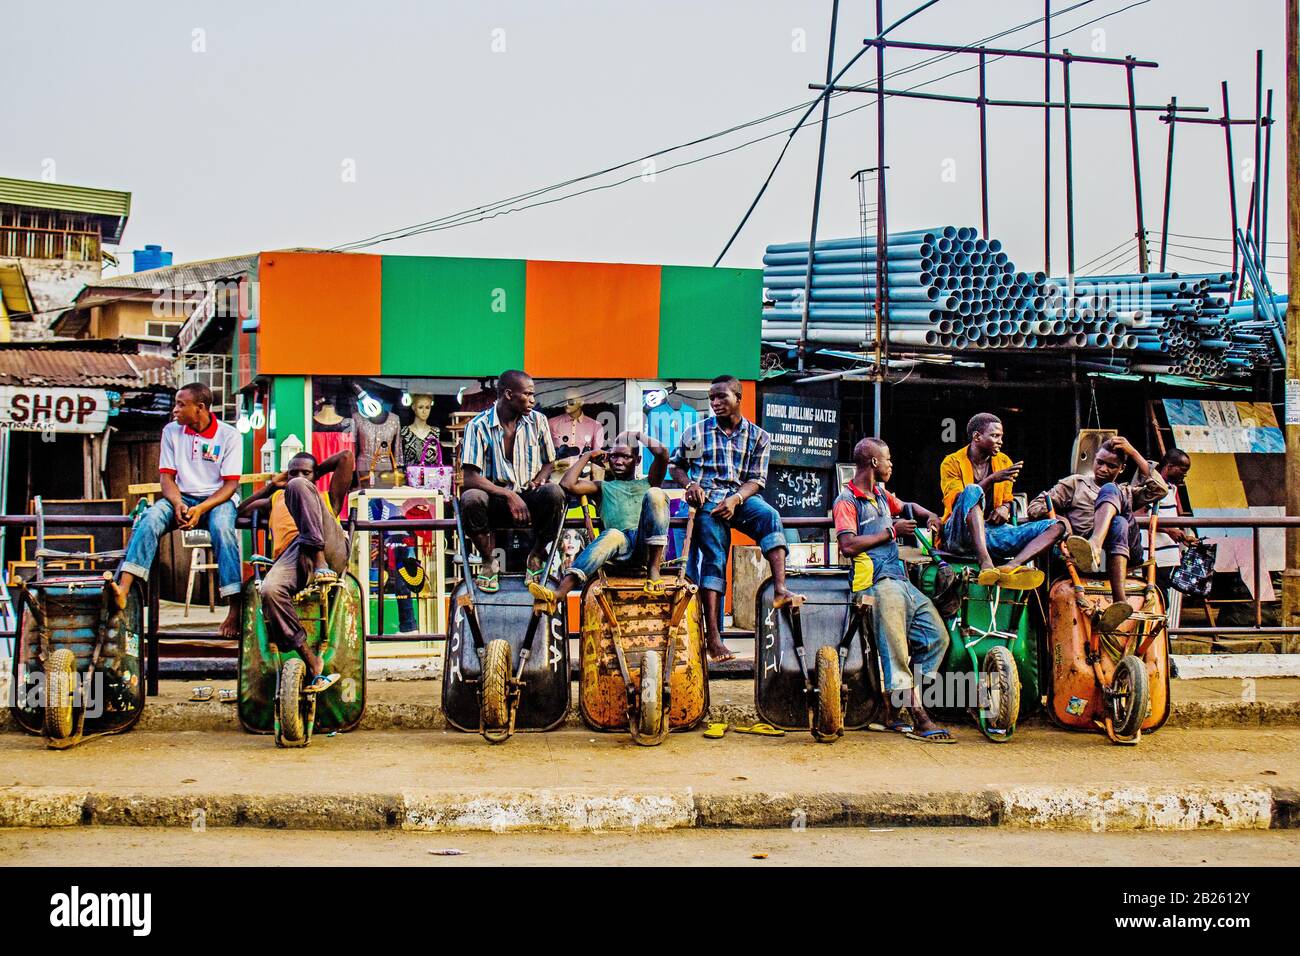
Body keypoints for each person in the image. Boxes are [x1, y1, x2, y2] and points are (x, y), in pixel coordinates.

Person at [669, 375, 799, 663]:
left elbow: (757, 480)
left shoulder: (759, 437)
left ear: (738, 398)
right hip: (708, 503)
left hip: (741, 498)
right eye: (712, 398)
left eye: (721, 397)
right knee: (715, 559)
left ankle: (779, 588)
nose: (715, 403)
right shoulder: (696, 433)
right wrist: (690, 485)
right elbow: (676, 466)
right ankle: (714, 638)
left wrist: (736, 499)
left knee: (770, 516)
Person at [834, 437, 954, 743]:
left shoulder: (880, 495)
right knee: (897, 654)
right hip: (875, 585)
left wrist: (930, 516)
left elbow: (909, 507)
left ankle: (894, 706)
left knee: (937, 638)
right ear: (874, 463)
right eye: (887, 459)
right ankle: (919, 716)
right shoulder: (847, 501)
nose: (891, 464)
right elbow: (847, 545)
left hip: (900, 581)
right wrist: (891, 531)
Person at [110, 383, 243, 638]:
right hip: (181, 498)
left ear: (200, 408)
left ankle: (234, 609)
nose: (175, 410)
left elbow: (230, 485)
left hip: (216, 500)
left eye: (181, 404)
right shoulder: (171, 431)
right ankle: (124, 589)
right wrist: (178, 503)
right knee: (149, 518)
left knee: (224, 529)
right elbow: (166, 478)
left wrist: (202, 508)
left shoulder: (229, 435)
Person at [237, 450, 355, 692]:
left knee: (299, 487)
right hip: (294, 557)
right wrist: (271, 487)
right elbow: (240, 510)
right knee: (269, 590)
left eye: (305, 472)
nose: (298, 476)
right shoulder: (276, 499)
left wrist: (312, 476)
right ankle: (311, 661)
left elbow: (346, 458)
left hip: (329, 551)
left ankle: (319, 559)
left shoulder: (326, 496)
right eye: (293, 472)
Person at [1027, 436, 1168, 629]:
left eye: (1111, 466)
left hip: (1124, 554)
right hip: (1084, 555)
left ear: (1121, 469)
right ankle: (1120, 600)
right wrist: (1062, 520)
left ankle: (1096, 543)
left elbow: (1160, 489)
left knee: (1112, 493)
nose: (1103, 469)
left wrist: (1133, 451)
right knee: (1117, 520)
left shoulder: (1125, 490)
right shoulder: (1076, 484)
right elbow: (1034, 507)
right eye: (1099, 462)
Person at [529, 432, 670, 607]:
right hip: (620, 549)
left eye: (625, 457)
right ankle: (558, 595)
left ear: (638, 460)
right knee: (612, 534)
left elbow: (662, 453)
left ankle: (653, 571)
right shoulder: (602, 487)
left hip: (648, 546)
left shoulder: (649, 482)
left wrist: (638, 435)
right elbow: (567, 484)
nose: (618, 462)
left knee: (656, 493)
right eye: (614, 456)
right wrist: (587, 456)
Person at [459, 370, 565, 593]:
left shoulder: (538, 421)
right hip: (495, 500)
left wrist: (539, 479)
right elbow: (470, 478)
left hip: (528, 498)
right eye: (527, 394)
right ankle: (489, 561)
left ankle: (535, 556)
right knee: (470, 498)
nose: (533, 400)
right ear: (508, 394)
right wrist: (508, 494)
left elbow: (550, 462)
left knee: (554, 493)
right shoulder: (477, 426)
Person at [939, 413, 1066, 587]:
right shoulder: (951, 462)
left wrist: (1005, 508)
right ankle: (985, 563)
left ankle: (1011, 566)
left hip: (992, 534)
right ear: (977, 436)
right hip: (958, 534)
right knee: (972, 490)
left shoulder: (1004, 461)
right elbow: (958, 501)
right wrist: (991, 479)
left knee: (1057, 525)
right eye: (995, 436)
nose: (1000, 441)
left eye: (1001, 437)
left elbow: (1007, 499)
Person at [1139, 448, 1194, 580]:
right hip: (1156, 555)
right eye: (1182, 470)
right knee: (1159, 592)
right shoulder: (1153, 488)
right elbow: (1141, 517)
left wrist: (1183, 537)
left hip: (1168, 554)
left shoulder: (1172, 488)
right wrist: (1169, 530)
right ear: (1169, 467)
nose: (1184, 475)